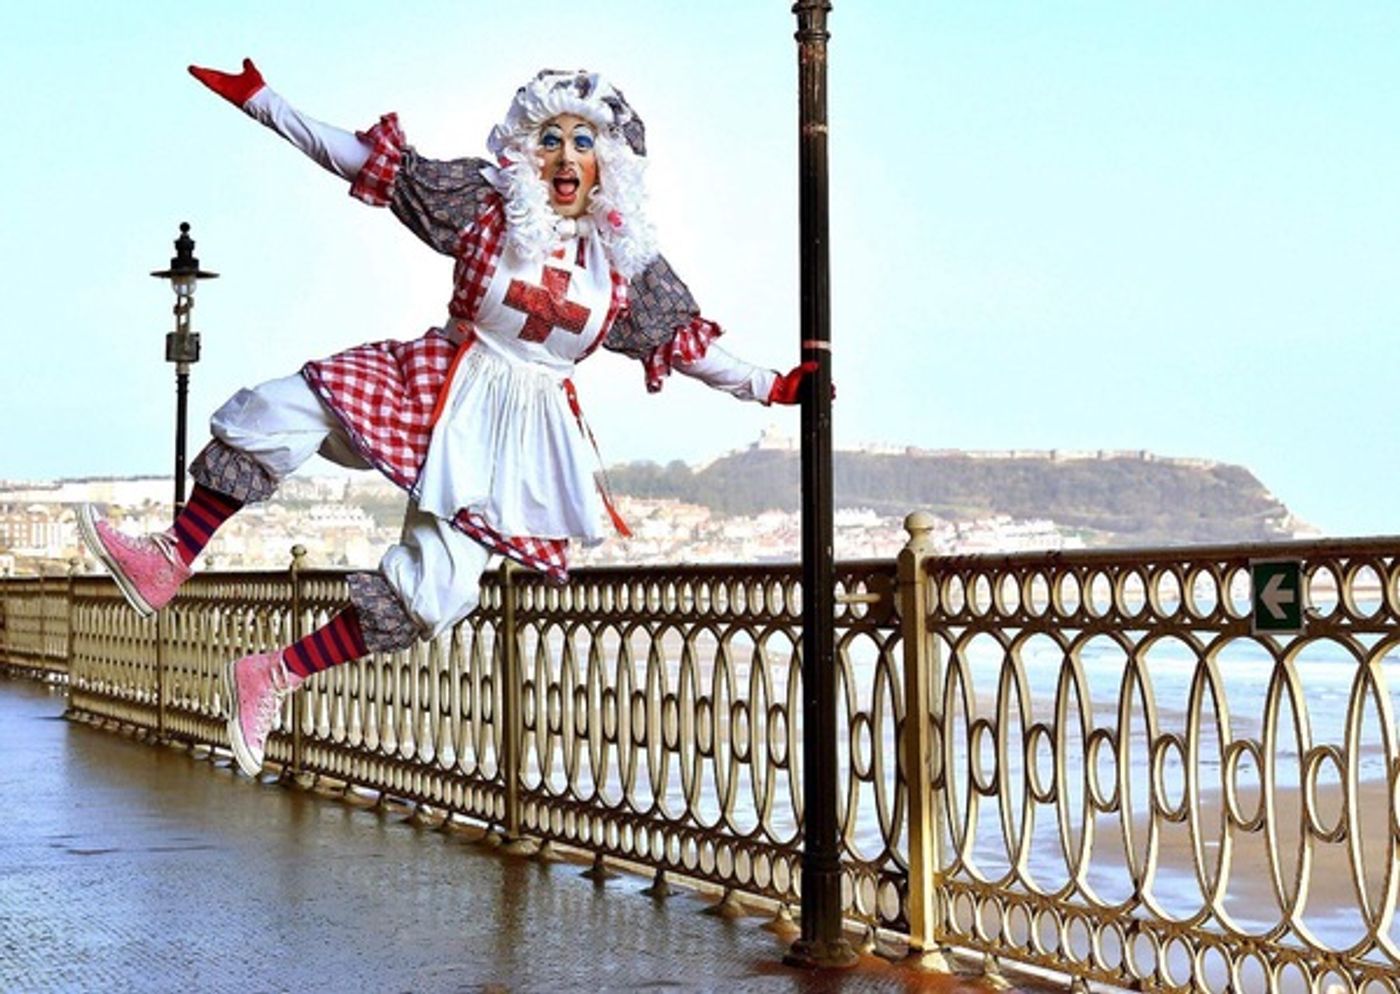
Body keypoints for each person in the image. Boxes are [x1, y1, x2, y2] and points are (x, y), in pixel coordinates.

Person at [78, 60, 815, 779]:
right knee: (282, 409)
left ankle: (273, 673)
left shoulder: (627, 268)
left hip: (516, 443)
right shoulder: (486, 208)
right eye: (550, 138)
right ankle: (171, 555)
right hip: (439, 377)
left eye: (583, 142)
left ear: (608, 165)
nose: (565, 155)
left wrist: (770, 385)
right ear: (528, 149)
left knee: (437, 595)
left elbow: (689, 348)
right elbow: (376, 167)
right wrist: (266, 101)